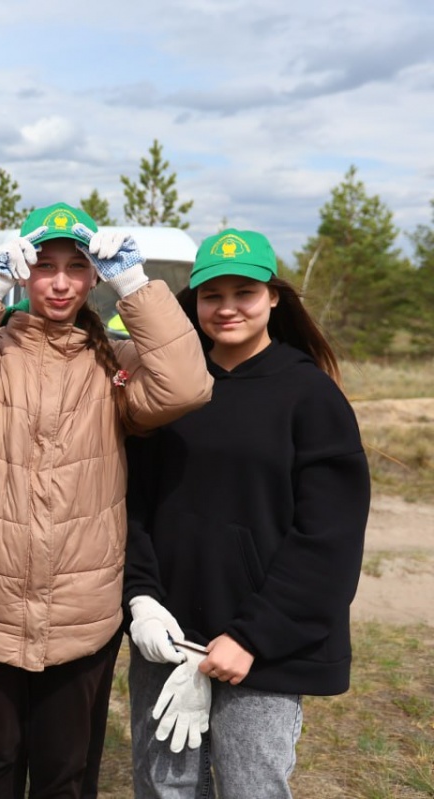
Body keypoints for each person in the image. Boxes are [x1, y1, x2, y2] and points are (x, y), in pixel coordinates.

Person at [0, 202, 213, 798]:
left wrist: (136, 284)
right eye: (44, 265)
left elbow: (187, 385)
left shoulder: (116, 361)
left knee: (65, 781)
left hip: (82, 618)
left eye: (77, 267)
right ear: (25, 273)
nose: (60, 281)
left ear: (94, 277)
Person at [122, 228, 370, 798]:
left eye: (245, 292)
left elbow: (327, 539)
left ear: (274, 297)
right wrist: (143, 599)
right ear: (195, 301)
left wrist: (253, 637)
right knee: (164, 789)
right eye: (213, 295)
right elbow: (130, 504)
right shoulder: (174, 389)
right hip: (171, 637)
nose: (227, 308)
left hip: (263, 648)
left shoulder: (310, 396)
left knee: (251, 786)